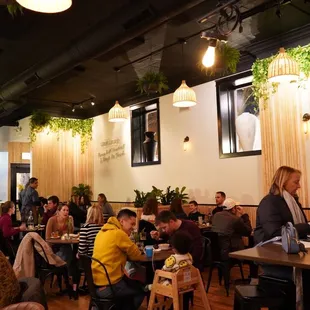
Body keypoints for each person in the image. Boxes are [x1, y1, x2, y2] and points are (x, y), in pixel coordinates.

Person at [254, 166, 310, 308]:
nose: (299, 186)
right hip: (274, 258)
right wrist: (307, 226)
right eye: (296, 182)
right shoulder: (269, 202)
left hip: (290, 253)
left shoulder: (292, 202)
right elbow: (274, 233)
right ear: (283, 181)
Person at [92, 209, 145, 310]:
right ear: (122, 221)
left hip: (95, 284)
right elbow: (137, 256)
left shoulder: (102, 232)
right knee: (140, 292)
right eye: (132, 224)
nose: (133, 228)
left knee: (129, 284)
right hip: (109, 285)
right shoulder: (119, 234)